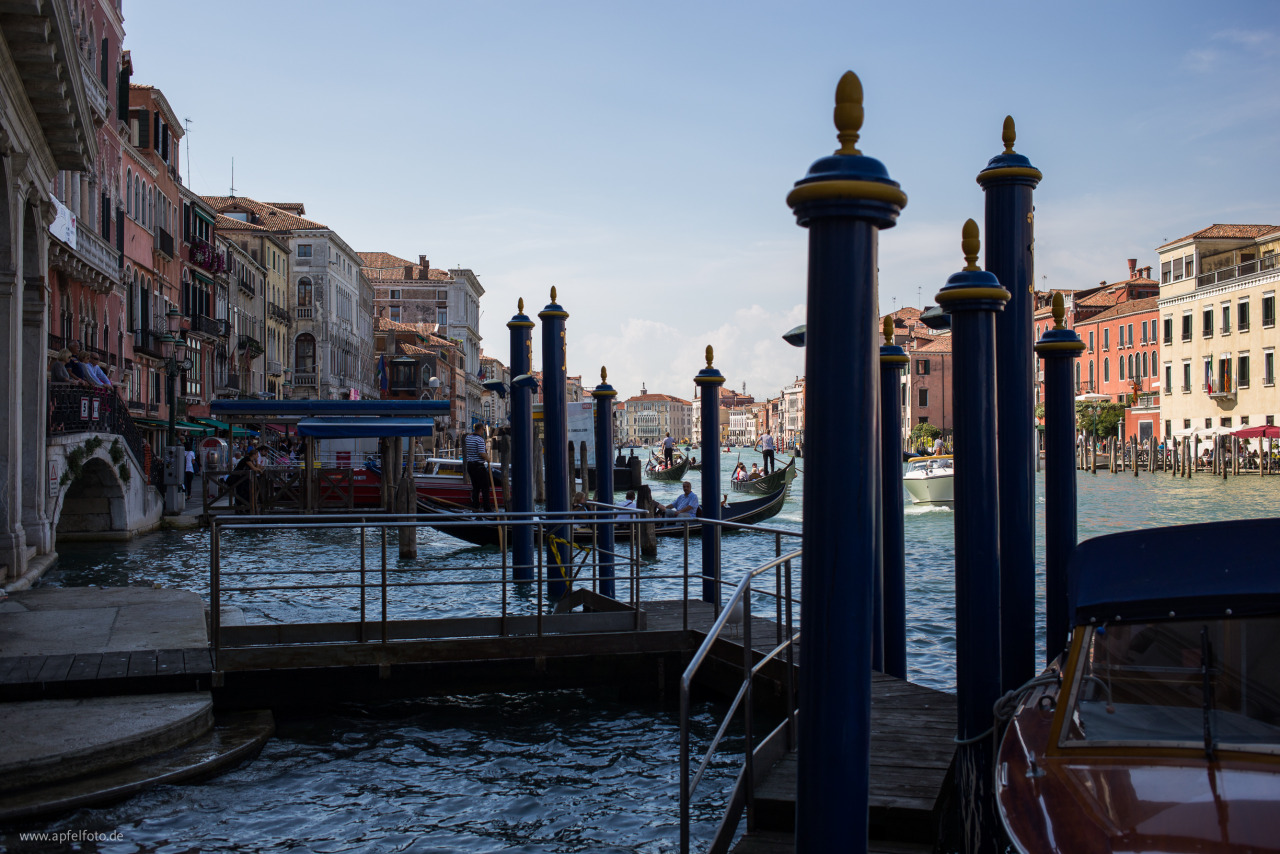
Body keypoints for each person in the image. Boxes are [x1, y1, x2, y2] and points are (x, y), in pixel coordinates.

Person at [464, 423, 493, 510]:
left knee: (476, 487)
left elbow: (470, 435)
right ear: (480, 429)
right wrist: (488, 459)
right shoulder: (480, 439)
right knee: (485, 488)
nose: (483, 432)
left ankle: (475, 506)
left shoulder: (468, 438)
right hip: (478, 466)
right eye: (483, 430)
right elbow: (482, 453)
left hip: (470, 466)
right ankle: (487, 508)